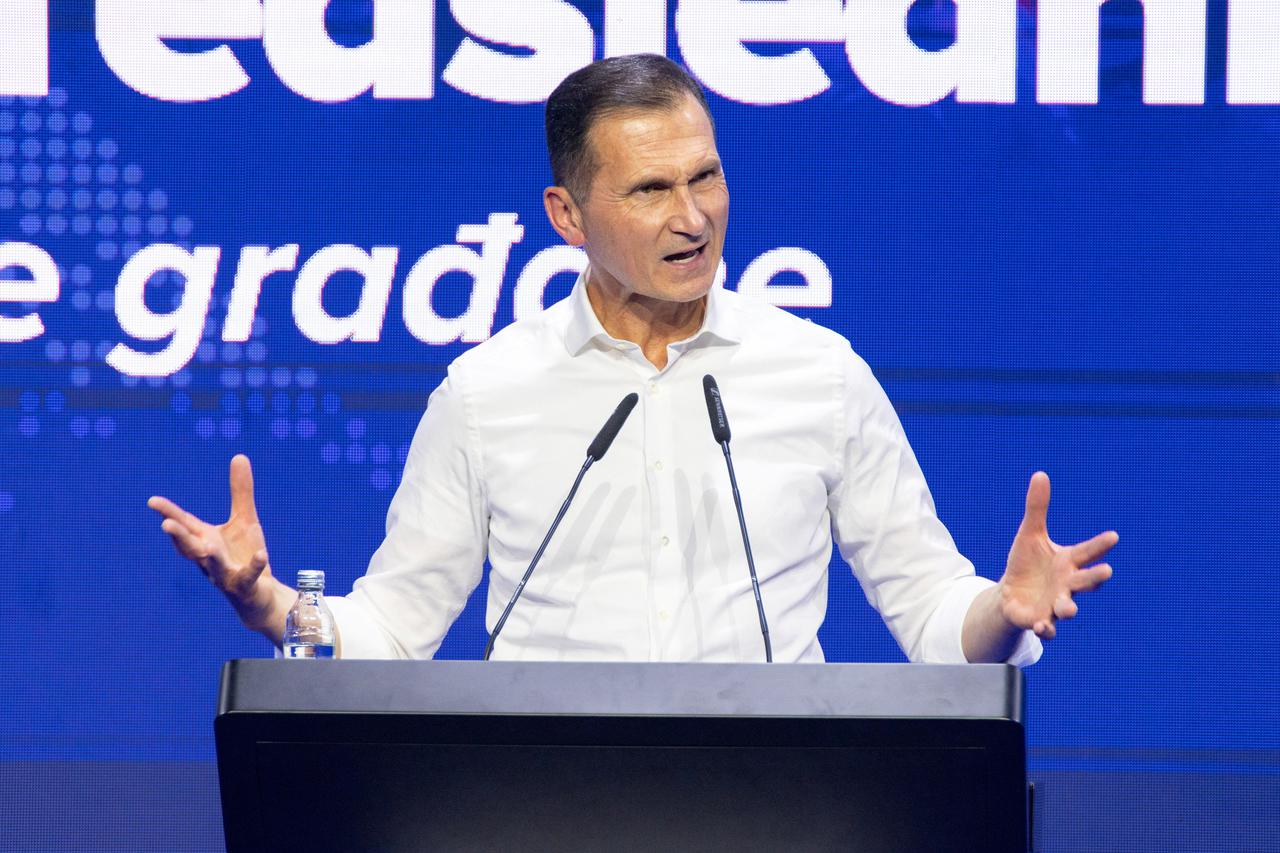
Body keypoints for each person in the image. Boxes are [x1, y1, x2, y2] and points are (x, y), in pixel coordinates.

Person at [148, 54, 1115, 664]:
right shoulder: (487, 394)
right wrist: (267, 603)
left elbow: (932, 615)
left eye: (707, 177)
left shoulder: (819, 374)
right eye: (651, 189)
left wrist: (1004, 608)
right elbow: (394, 631)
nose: (693, 218)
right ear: (567, 215)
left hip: (777, 799)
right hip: (542, 803)